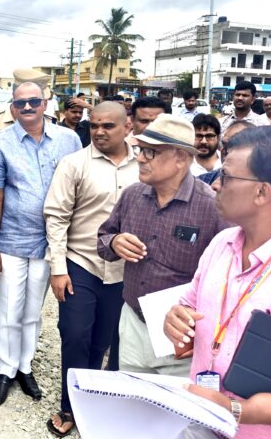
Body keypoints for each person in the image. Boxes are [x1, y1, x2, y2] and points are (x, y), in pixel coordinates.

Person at [164, 126, 271, 439]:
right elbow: (188, 306)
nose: (214, 185)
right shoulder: (222, 243)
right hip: (200, 418)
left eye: (225, 177)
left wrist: (236, 409)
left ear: (261, 192)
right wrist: (175, 320)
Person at [97, 114, 227, 376]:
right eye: (140, 150)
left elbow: (227, 275)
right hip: (133, 321)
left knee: (174, 400)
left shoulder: (212, 208)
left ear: (180, 158)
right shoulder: (132, 196)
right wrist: (115, 242)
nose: (140, 158)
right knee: (131, 395)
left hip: (180, 332)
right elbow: (103, 240)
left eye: (150, 152)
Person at [43, 102, 139, 437]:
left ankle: (94, 400)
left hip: (124, 270)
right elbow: (56, 217)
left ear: (127, 127)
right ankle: (70, 406)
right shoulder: (74, 164)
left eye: (107, 126)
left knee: (104, 339)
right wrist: (58, 268)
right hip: (80, 263)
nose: (99, 131)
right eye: (94, 125)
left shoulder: (144, 165)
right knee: (75, 335)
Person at [0, 81, 81, 407]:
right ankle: (5, 370)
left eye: (33, 101)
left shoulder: (69, 140)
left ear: (45, 103)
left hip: (50, 241)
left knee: (32, 312)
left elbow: (77, 189)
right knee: (7, 310)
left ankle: (24, 367)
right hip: (11, 239)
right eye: (20, 103)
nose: (27, 107)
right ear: (12, 107)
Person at [198, 121, 253, 187]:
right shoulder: (202, 183)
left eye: (232, 145)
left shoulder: (260, 183)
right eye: (223, 144)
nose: (224, 150)